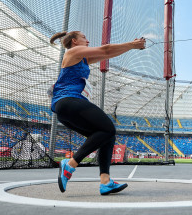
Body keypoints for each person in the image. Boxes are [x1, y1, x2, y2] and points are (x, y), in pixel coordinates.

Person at [49, 31, 145, 195]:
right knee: (108, 128)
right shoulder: (73, 52)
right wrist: (132, 44)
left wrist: (131, 48)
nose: (88, 40)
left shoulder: (82, 59)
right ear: (74, 41)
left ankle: (105, 182)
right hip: (69, 101)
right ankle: (70, 164)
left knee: (108, 135)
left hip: (65, 108)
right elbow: (105, 50)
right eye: (84, 37)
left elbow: (107, 55)